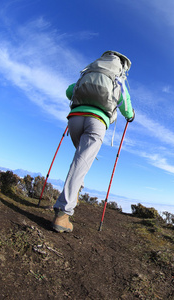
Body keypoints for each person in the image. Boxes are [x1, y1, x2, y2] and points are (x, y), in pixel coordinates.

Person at [52, 51, 135, 233]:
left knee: (79, 162)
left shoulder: (89, 72)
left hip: (74, 118)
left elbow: (69, 91)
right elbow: (125, 105)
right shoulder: (117, 78)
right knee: (80, 164)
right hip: (97, 121)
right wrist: (131, 116)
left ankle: (74, 190)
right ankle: (63, 213)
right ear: (121, 66)